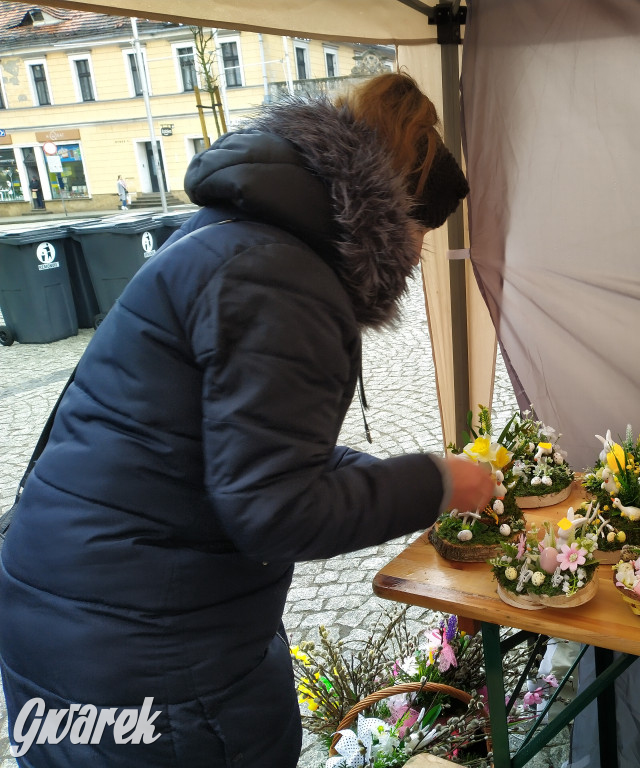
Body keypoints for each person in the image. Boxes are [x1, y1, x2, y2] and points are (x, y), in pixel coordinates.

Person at [0, 73, 492, 767]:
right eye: (423, 233)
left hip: (78, 618)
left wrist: (396, 480)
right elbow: (277, 509)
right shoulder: (280, 277)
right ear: (394, 210)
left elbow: (248, 457)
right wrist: (440, 484)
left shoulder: (237, 234)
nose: (418, 256)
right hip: (149, 660)